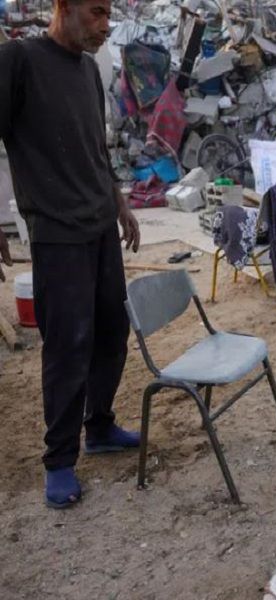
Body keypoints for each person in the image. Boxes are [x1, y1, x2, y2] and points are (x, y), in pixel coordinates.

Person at [0, 0, 142, 509]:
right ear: (64, 6)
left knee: (112, 330)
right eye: (97, 12)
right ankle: (59, 459)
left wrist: (120, 204)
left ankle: (98, 425)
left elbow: (96, 149)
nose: (106, 25)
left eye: (110, 15)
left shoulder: (88, 70)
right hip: (56, 231)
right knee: (67, 344)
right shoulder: (19, 60)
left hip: (100, 223)